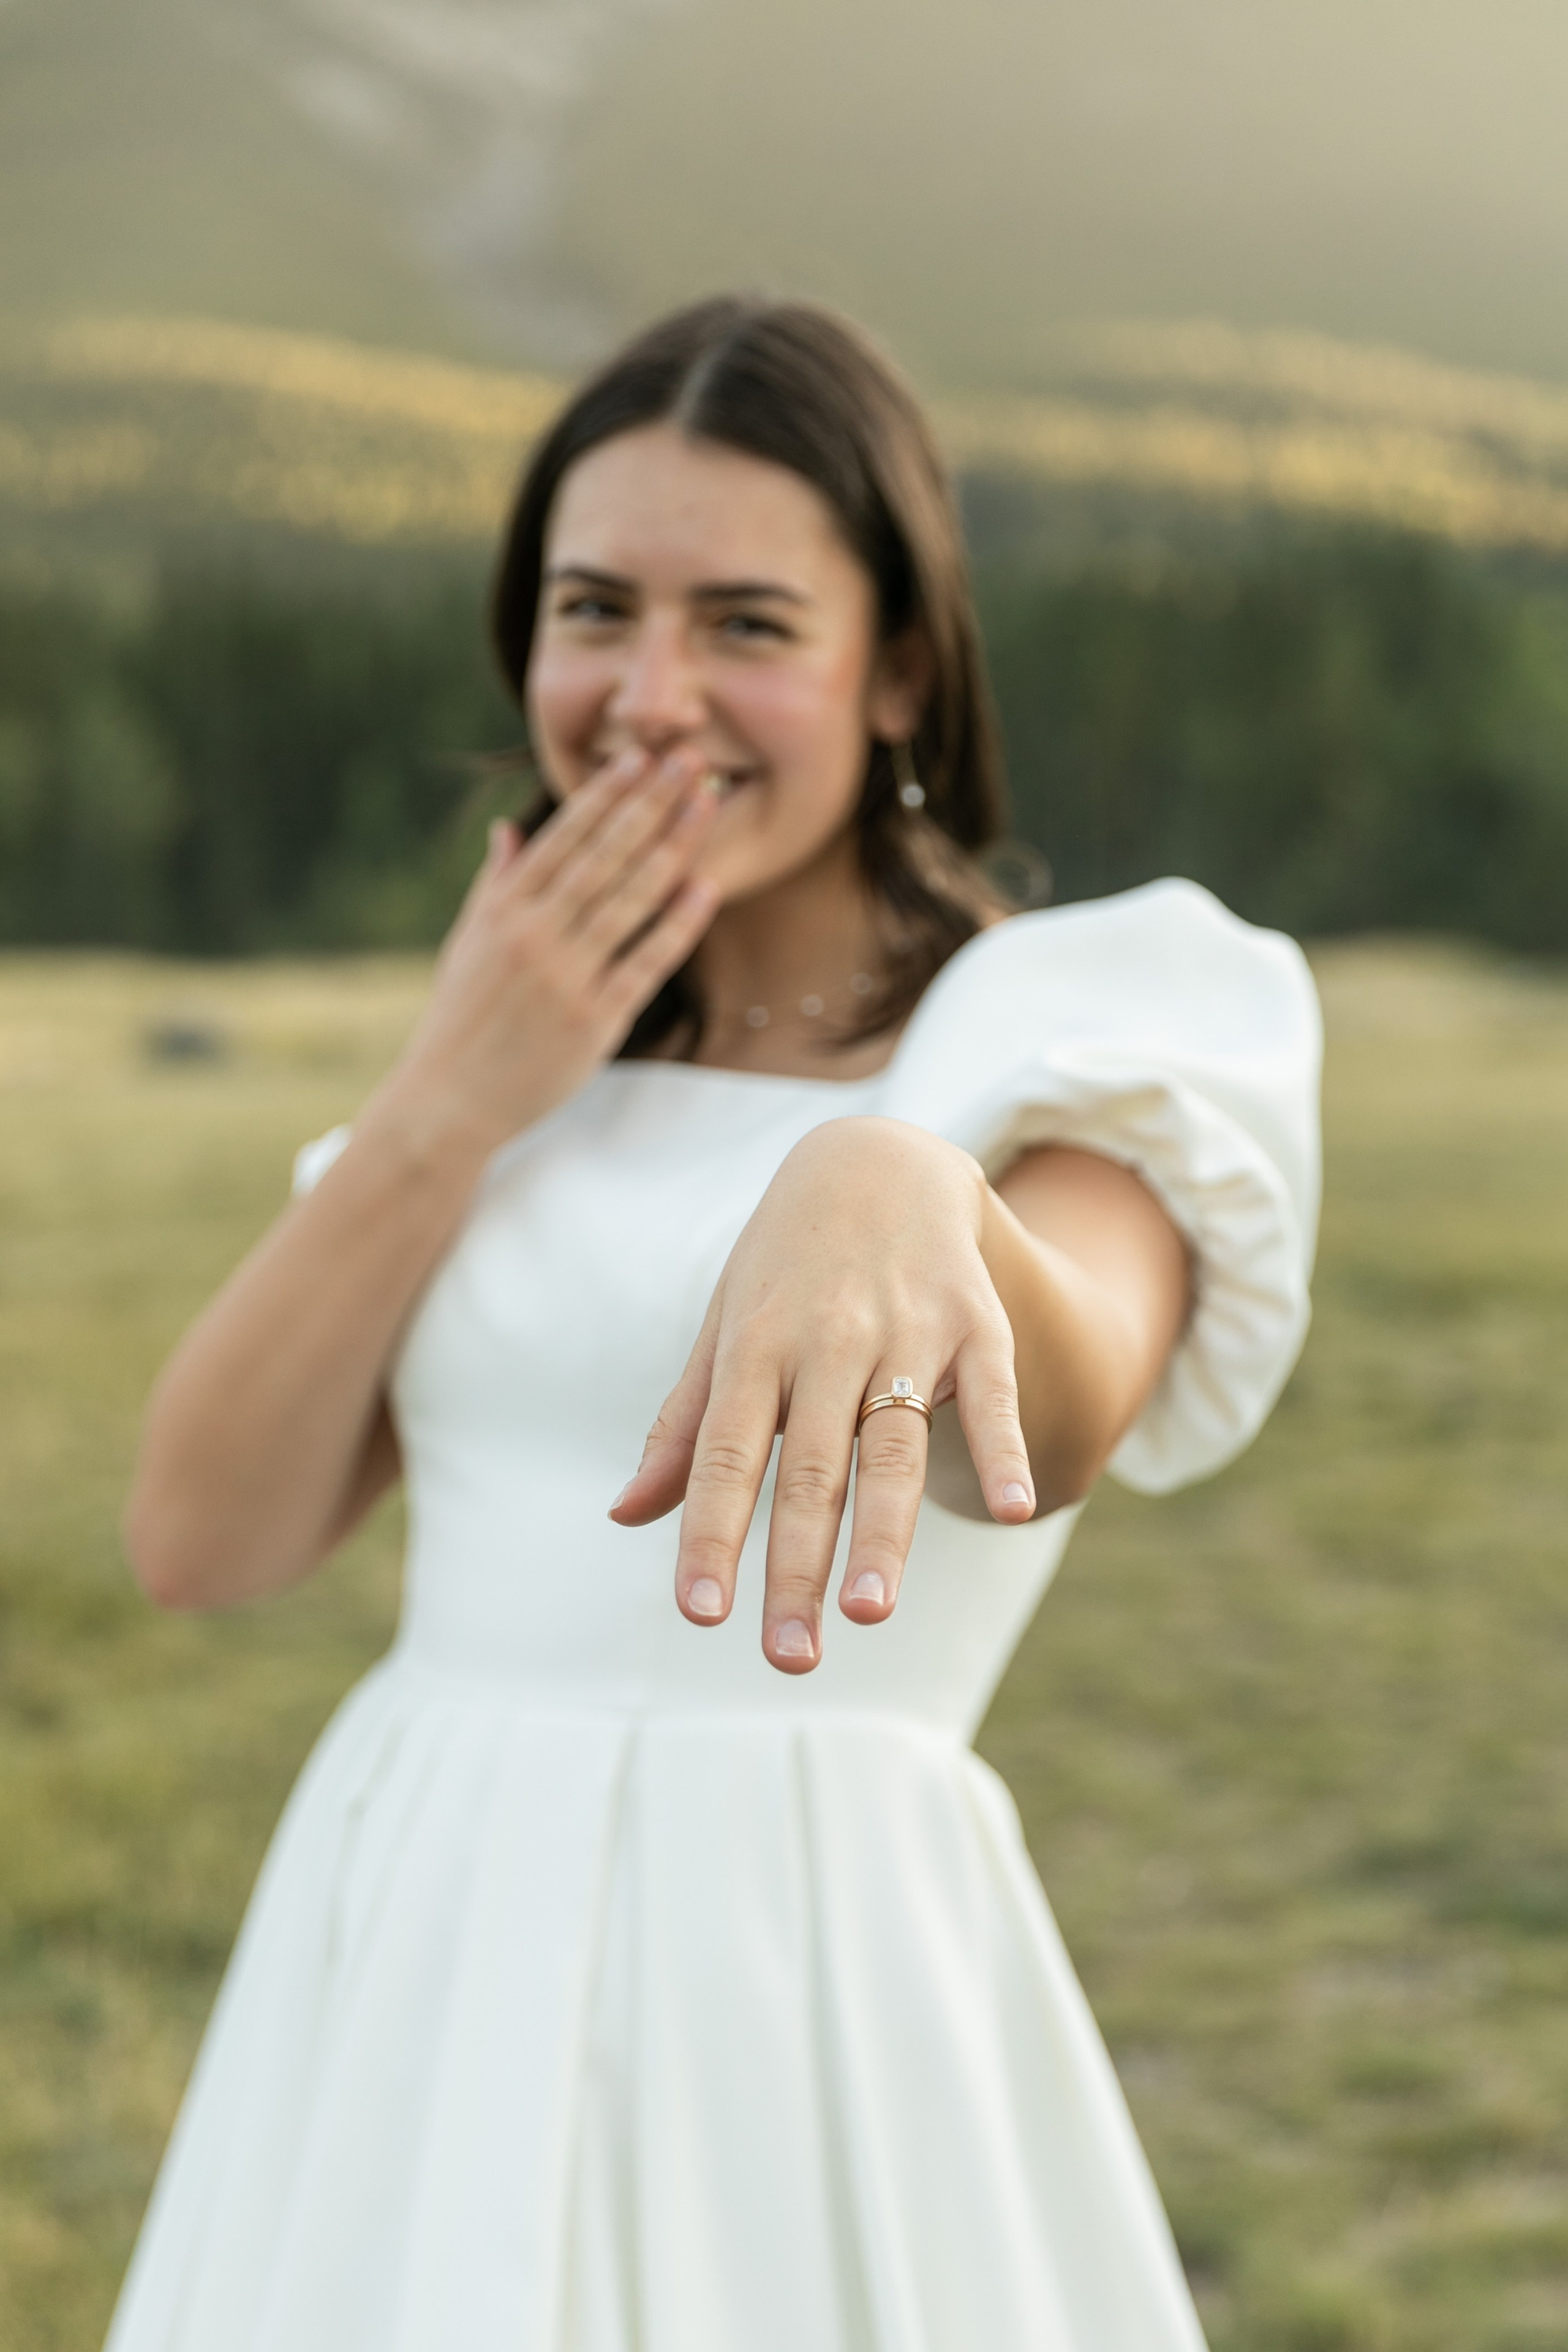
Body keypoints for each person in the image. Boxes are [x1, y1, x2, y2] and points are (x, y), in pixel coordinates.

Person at [108, 296, 1320, 2352]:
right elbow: (200, 1538)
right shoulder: (506, 1059)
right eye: (597, 612)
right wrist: (450, 1100)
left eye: (747, 623)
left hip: (803, 1966)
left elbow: (1082, 1396)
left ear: (900, 667)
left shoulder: (1077, 1020)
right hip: (410, 1945)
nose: (652, 697)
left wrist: (895, 1178)